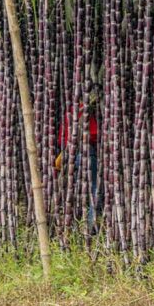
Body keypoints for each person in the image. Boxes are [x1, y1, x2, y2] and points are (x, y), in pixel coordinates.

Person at [54, 95, 100, 230]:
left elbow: (61, 139)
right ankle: (90, 225)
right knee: (94, 189)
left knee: (72, 191)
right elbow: (94, 134)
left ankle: (72, 226)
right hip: (86, 153)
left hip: (70, 157)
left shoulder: (69, 113)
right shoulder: (85, 112)